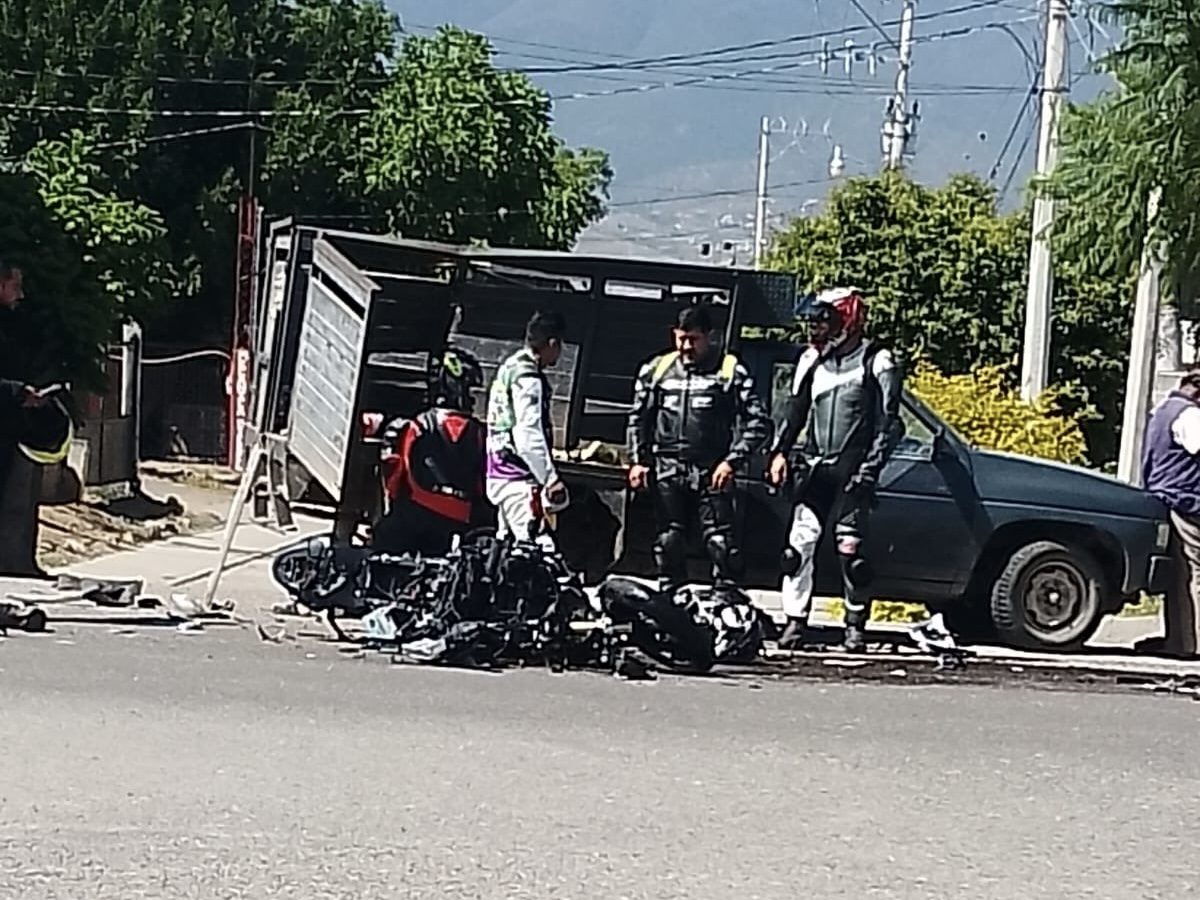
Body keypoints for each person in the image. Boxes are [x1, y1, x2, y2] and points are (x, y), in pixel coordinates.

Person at [766, 287, 903, 653]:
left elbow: (890, 425)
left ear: (848, 320)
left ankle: (855, 626)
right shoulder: (810, 360)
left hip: (854, 471)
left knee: (851, 554)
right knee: (797, 548)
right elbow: (793, 414)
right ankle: (795, 621)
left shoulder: (878, 361)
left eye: (824, 321)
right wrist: (779, 452)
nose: (817, 329)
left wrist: (869, 471)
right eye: (814, 322)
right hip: (815, 469)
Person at [626, 304, 771, 592]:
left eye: (693, 339)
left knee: (721, 544)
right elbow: (637, 418)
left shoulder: (730, 370)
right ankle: (671, 604)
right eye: (681, 338)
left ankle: (726, 603)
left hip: (712, 468)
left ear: (709, 336)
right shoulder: (657, 370)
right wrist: (637, 460)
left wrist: (732, 461)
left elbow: (760, 422)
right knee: (669, 540)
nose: (686, 346)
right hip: (666, 467)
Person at [371, 347, 487, 557]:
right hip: (457, 519)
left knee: (381, 548)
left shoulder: (419, 424)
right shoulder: (479, 433)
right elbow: (480, 483)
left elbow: (399, 471)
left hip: (416, 509)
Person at [484, 310, 569, 552]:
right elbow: (527, 434)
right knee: (537, 551)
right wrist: (550, 479)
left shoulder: (509, 367)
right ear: (552, 343)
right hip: (519, 477)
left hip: (498, 469)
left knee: (506, 551)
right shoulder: (528, 378)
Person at [1142, 370, 1200, 656]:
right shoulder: (1190, 416)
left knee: (1181, 576)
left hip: (1164, 498)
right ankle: (1192, 643)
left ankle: (1180, 641)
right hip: (1188, 502)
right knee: (1194, 574)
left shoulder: (1163, 410)